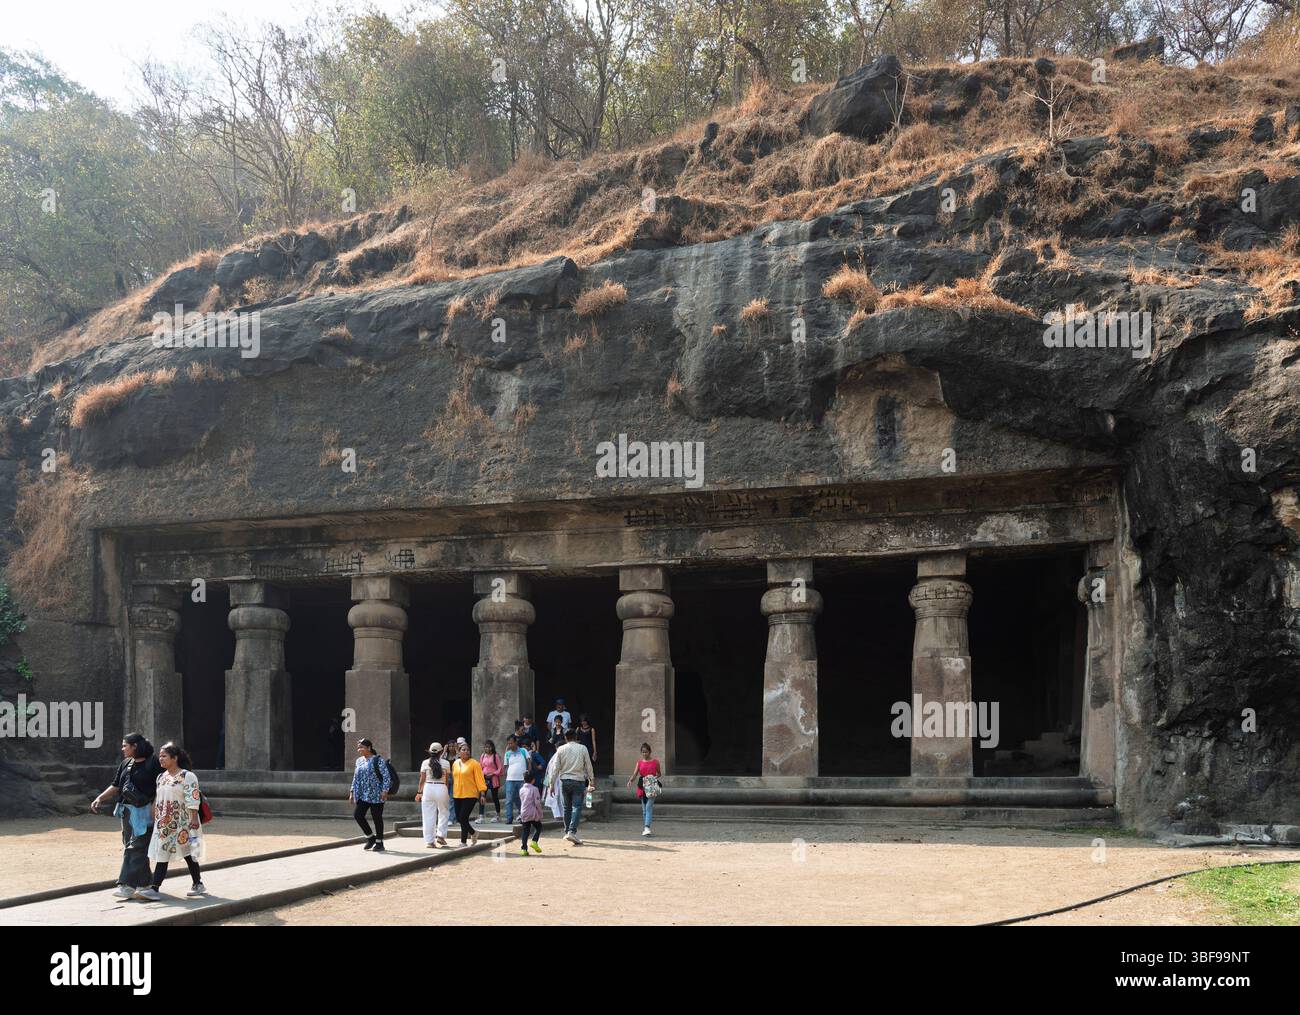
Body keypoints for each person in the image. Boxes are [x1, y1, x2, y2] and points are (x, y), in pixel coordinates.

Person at [90, 733, 162, 899]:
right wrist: (100, 798)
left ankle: (127, 885)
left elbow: (162, 787)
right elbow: (116, 785)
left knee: (135, 848)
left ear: (135, 746)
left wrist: (155, 805)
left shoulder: (154, 763)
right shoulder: (125, 764)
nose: (122, 749)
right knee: (134, 847)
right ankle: (145, 884)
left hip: (146, 812)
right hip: (126, 811)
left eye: (125, 745)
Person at [135, 742, 204, 900]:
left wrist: (194, 818)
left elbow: (193, 797)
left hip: (184, 822)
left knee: (188, 853)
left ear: (175, 758)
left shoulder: (187, 776)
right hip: (164, 823)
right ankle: (194, 883)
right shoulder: (161, 777)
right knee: (166, 851)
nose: (160, 759)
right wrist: (154, 813)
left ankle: (159, 888)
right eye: (160, 756)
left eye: (164, 756)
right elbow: (158, 798)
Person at [550, 728, 595, 844]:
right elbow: (588, 766)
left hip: (564, 781)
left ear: (565, 738)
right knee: (576, 807)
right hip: (578, 781)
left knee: (566, 808)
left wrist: (551, 784)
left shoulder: (560, 749)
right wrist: (592, 780)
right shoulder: (583, 748)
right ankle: (571, 832)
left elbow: (555, 768)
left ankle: (567, 832)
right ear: (575, 736)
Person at [349, 738, 391, 852]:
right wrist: (352, 791)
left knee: (377, 818)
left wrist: (385, 790)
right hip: (363, 794)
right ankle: (370, 837)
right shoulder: (359, 761)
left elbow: (386, 776)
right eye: (358, 747)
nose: (359, 750)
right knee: (358, 815)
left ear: (369, 748)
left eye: (361, 747)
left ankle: (379, 842)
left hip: (377, 794)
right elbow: (355, 777)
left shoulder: (378, 760)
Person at [451, 742, 487, 846]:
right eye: (463, 750)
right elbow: (454, 778)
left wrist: (482, 793)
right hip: (457, 794)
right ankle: (473, 833)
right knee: (459, 818)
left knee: (463, 817)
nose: (466, 751)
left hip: (470, 794)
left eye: (467, 750)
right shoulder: (455, 763)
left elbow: (480, 780)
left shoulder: (474, 763)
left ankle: (463, 842)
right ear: (459, 752)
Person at [416, 741, 451, 847]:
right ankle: (440, 835)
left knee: (428, 815)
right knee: (444, 812)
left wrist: (419, 792)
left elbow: (422, 779)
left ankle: (429, 841)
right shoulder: (446, 763)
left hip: (428, 788)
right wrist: (446, 792)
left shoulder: (424, 763)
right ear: (441, 752)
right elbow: (446, 780)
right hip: (441, 787)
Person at [627, 742, 663, 837]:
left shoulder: (655, 762)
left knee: (648, 807)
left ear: (650, 752)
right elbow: (635, 774)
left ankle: (647, 827)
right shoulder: (639, 763)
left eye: (646, 752)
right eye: (643, 752)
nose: (644, 754)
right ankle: (646, 828)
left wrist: (652, 777)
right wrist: (630, 781)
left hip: (651, 786)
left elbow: (659, 773)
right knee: (644, 809)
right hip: (642, 786)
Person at [502, 735, 529, 825]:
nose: (510, 745)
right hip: (510, 780)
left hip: (522, 779)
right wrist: (505, 776)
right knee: (509, 800)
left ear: (515, 742)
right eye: (508, 743)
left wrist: (528, 773)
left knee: (521, 799)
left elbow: (529, 762)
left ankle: (523, 816)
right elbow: (505, 766)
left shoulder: (523, 751)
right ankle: (509, 818)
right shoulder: (507, 753)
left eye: (511, 743)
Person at [516, 771, 544, 855]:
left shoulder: (521, 790)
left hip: (524, 812)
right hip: (532, 813)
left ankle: (523, 849)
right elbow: (537, 803)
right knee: (539, 827)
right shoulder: (535, 789)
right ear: (533, 780)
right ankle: (534, 841)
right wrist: (540, 813)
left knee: (525, 831)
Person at [479, 740, 503, 823]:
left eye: (489, 747)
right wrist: (481, 775)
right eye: (486, 747)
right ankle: (481, 816)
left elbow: (500, 768)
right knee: (482, 796)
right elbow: (481, 767)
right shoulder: (483, 756)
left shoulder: (495, 756)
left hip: (493, 778)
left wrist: (493, 774)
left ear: (492, 747)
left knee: (495, 797)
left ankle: (498, 815)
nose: (487, 748)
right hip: (484, 778)